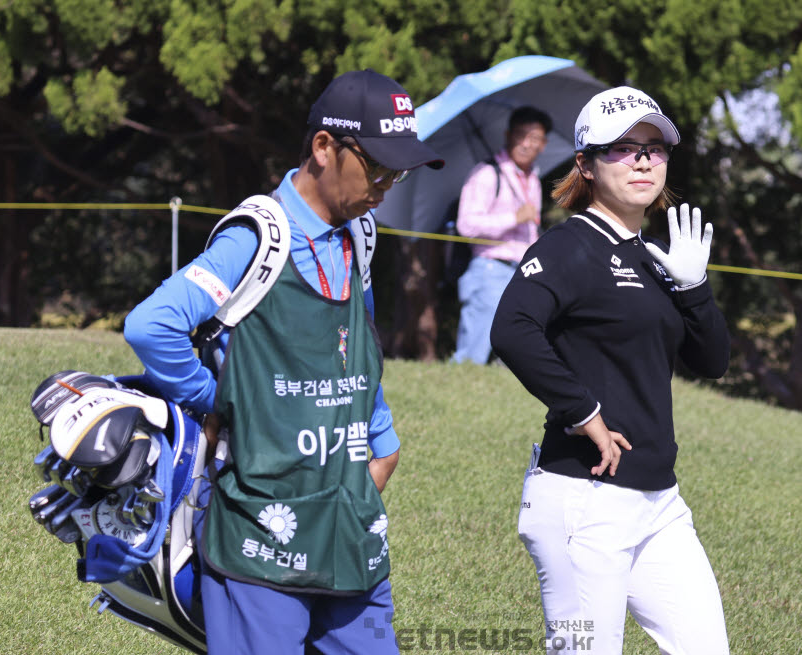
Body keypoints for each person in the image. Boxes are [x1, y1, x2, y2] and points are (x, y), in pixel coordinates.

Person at [123, 69, 443, 655]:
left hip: (350, 530)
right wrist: (218, 403)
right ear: (324, 147)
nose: (387, 185)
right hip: (260, 538)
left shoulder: (360, 233)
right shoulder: (258, 238)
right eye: (377, 167)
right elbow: (152, 326)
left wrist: (383, 437)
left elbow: (356, 347)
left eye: (398, 172)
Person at [490, 86, 732, 654]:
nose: (644, 159)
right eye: (622, 148)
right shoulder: (571, 245)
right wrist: (584, 412)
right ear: (586, 165)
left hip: (659, 503)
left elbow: (712, 361)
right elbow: (511, 329)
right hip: (583, 500)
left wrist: (694, 289)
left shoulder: (654, 256)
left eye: (655, 147)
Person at [452, 105, 552, 364]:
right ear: (508, 135)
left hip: (523, 272)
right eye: (521, 135)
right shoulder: (486, 174)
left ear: (544, 144)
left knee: (513, 353)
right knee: (474, 351)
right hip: (490, 269)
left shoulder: (533, 179)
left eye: (535, 138)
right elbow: (466, 226)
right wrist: (513, 219)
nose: (527, 144)